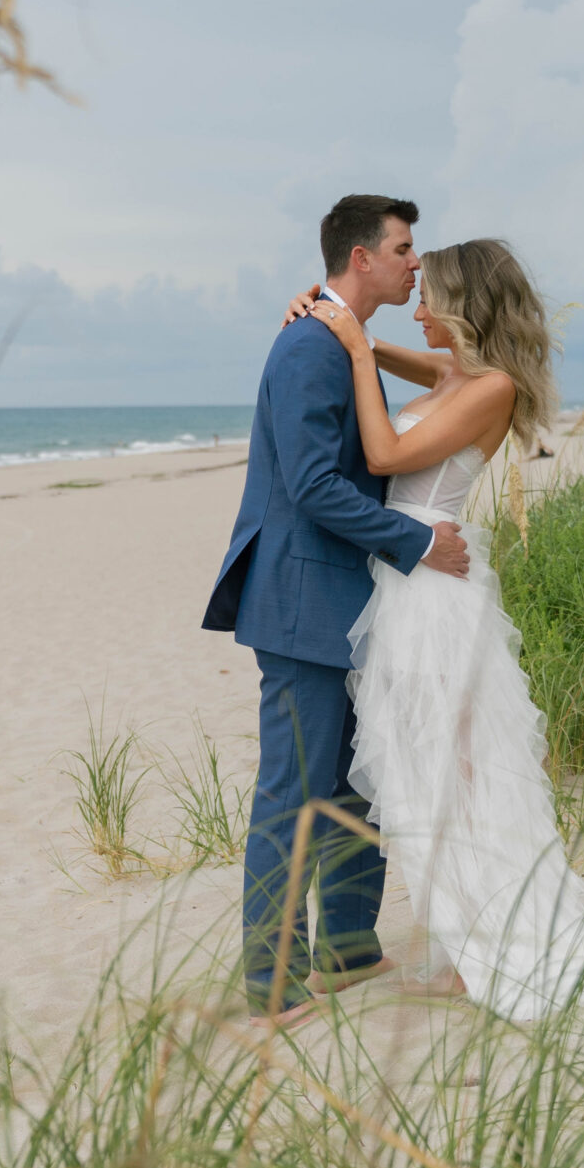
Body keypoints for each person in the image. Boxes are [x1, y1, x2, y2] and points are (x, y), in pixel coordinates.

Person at [293, 238, 584, 1020]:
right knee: (428, 768)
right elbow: (404, 361)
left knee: (451, 771)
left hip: (434, 590)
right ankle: (469, 942)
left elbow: (387, 448)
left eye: (428, 298)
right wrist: (334, 318)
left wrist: (354, 346)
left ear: (464, 307)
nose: (415, 307)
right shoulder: (457, 373)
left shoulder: (490, 387)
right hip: (407, 583)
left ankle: (483, 945)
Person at [202, 195, 471, 1025]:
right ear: (361, 257)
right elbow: (315, 487)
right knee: (293, 792)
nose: (413, 262)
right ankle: (272, 984)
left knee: (356, 785)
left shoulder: (340, 343)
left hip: (348, 603)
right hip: (300, 603)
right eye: (402, 248)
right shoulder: (310, 351)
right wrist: (419, 544)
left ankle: (348, 948)